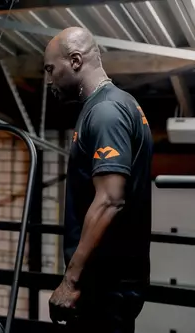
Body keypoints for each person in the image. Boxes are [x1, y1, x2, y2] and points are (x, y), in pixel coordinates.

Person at [44, 27, 153, 333]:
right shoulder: (115, 104)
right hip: (108, 282)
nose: (49, 80)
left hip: (106, 285)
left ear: (75, 61)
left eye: (51, 69)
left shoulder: (106, 111)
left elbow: (110, 200)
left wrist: (70, 281)